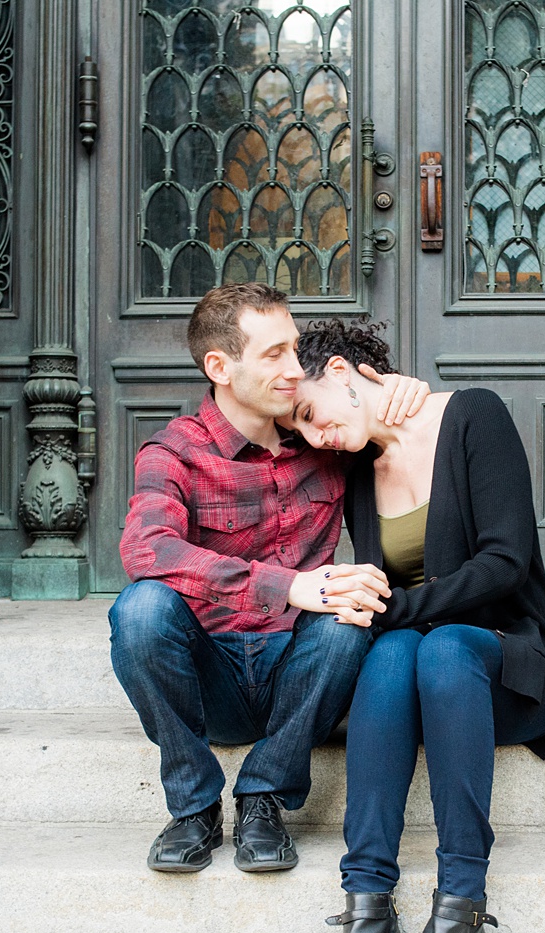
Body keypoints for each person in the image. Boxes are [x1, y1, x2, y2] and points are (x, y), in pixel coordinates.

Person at [281, 318, 545, 933]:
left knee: (434, 644)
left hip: (512, 666)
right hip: (420, 676)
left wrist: (393, 612)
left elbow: (505, 565)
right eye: (301, 431)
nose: (315, 436)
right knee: (392, 654)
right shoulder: (355, 466)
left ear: (339, 370)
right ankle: (369, 915)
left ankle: (461, 916)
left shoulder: (474, 414)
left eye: (310, 414)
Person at [109, 284, 428, 875]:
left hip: (302, 674)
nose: (294, 369)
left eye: (296, 348)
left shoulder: (321, 439)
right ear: (220, 367)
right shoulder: (173, 451)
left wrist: (400, 390)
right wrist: (285, 586)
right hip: (212, 679)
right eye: (275, 354)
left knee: (347, 617)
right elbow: (146, 549)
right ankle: (194, 807)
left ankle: (264, 795)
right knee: (139, 609)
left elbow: (366, 410)